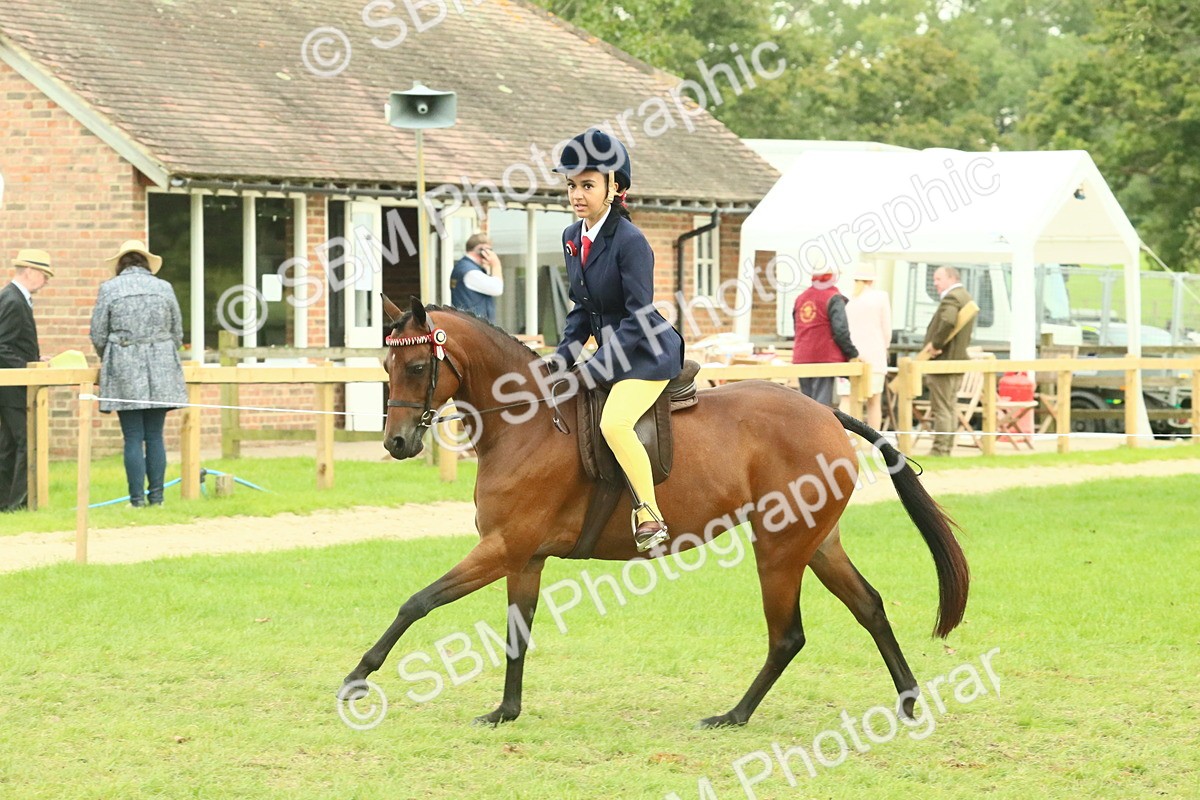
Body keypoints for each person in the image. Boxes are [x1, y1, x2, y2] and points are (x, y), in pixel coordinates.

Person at [552, 128, 683, 553]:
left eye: (588, 185)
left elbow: (639, 315)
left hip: (646, 352)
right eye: (572, 185)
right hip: (608, 351)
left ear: (615, 188)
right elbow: (581, 311)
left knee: (614, 422)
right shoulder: (573, 238)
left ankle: (650, 514)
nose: (577, 194)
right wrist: (560, 360)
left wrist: (594, 367)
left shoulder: (631, 241)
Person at [89, 240, 187, 507]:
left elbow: (97, 334)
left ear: (121, 263)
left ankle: (136, 501)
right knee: (155, 435)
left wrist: (111, 356)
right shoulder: (164, 287)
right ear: (146, 262)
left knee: (132, 436)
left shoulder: (109, 289)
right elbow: (177, 332)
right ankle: (157, 498)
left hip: (124, 363)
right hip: (161, 364)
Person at [0, 249, 53, 511]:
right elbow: (3, 346)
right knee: (24, 442)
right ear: (30, 271)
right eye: (45, 275)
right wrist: (27, 370)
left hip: (11, 384)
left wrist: (35, 358)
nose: (46, 282)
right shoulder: (13, 300)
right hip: (12, 387)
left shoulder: (13, 297)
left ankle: (7, 502)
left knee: (10, 444)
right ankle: (18, 504)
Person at [922, 265, 977, 456]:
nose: (935, 283)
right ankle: (946, 447)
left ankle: (940, 449)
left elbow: (948, 321)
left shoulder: (952, 297)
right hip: (957, 361)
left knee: (942, 408)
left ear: (951, 278)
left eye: (938, 279)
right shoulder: (965, 296)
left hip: (944, 362)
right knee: (950, 407)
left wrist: (936, 344)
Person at [792, 269, 858, 408]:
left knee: (805, 403)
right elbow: (840, 331)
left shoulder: (801, 298)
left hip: (802, 357)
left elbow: (796, 328)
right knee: (821, 406)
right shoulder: (833, 297)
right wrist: (852, 353)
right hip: (824, 358)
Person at [842, 264, 891, 429]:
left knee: (846, 398)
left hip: (849, 357)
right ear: (872, 280)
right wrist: (885, 348)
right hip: (874, 356)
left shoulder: (846, 297)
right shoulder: (881, 297)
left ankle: (847, 439)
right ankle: (875, 444)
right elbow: (887, 330)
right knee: (874, 401)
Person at [449, 234, 504, 323]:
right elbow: (497, 289)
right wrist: (496, 265)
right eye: (489, 250)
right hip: (474, 326)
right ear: (482, 250)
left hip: (468, 324)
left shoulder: (464, 267)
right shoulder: (471, 272)